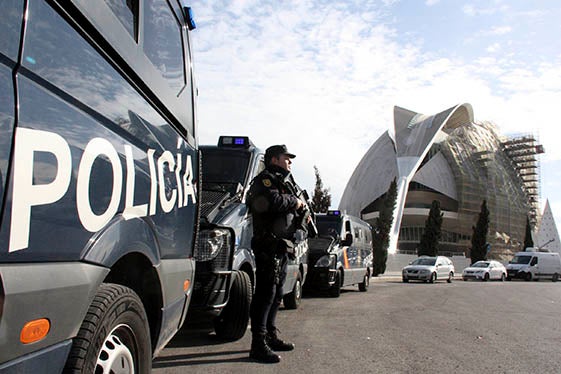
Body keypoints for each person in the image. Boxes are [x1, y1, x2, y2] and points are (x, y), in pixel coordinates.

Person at [246, 144, 307, 363]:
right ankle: (257, 344)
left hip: (280, 247)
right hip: (267, 245)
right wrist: (295, 203)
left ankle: (270, 335)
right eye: (286, 158)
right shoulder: (265, 180)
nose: (289, 161)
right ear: (274, 159)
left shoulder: (285, 183)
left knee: (278, 292)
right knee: (265, 294)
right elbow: (270, 202)